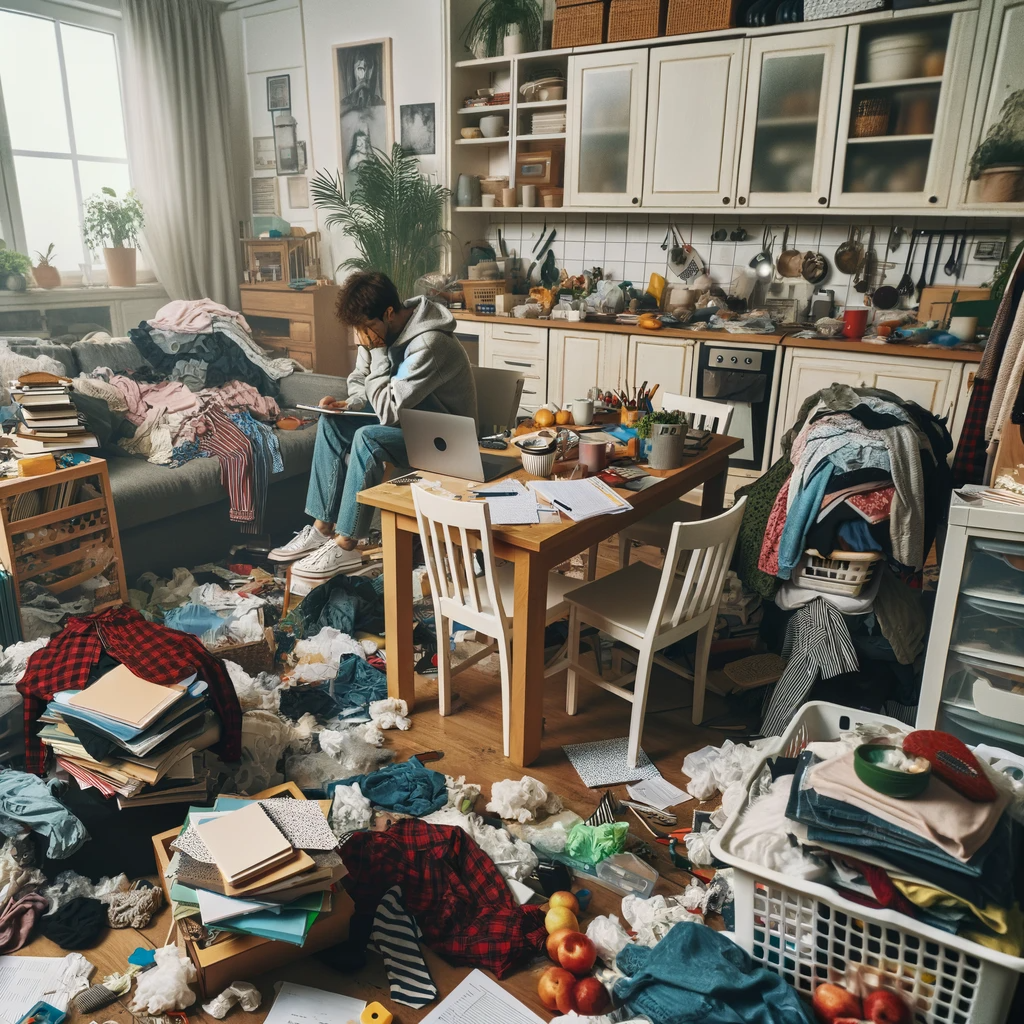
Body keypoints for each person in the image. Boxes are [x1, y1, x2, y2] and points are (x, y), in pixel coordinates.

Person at [269, 271, 477, 578]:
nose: (363, 339)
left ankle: (346, 544)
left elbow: (388, 410)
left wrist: (378, 351)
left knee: (367, 438)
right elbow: (359, 378)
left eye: (366, 330)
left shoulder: (430, 344)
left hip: (448, 440)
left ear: (389, 313)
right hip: (411, 427)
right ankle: (322, 527)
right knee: (331, 423)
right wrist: (350, 404)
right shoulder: (378, 330)